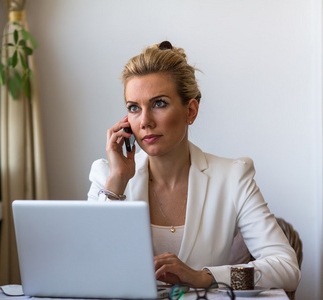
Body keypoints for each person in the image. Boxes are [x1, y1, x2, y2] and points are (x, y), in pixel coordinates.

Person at [87, 41, 301, 290]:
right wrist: (117, 183)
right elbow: (86, 267)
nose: (145, 121)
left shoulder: (232, 177)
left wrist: (206, 277)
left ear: (191, 110)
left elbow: (287, 268)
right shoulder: (108, 176)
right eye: (134, 108)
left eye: (159, 103)